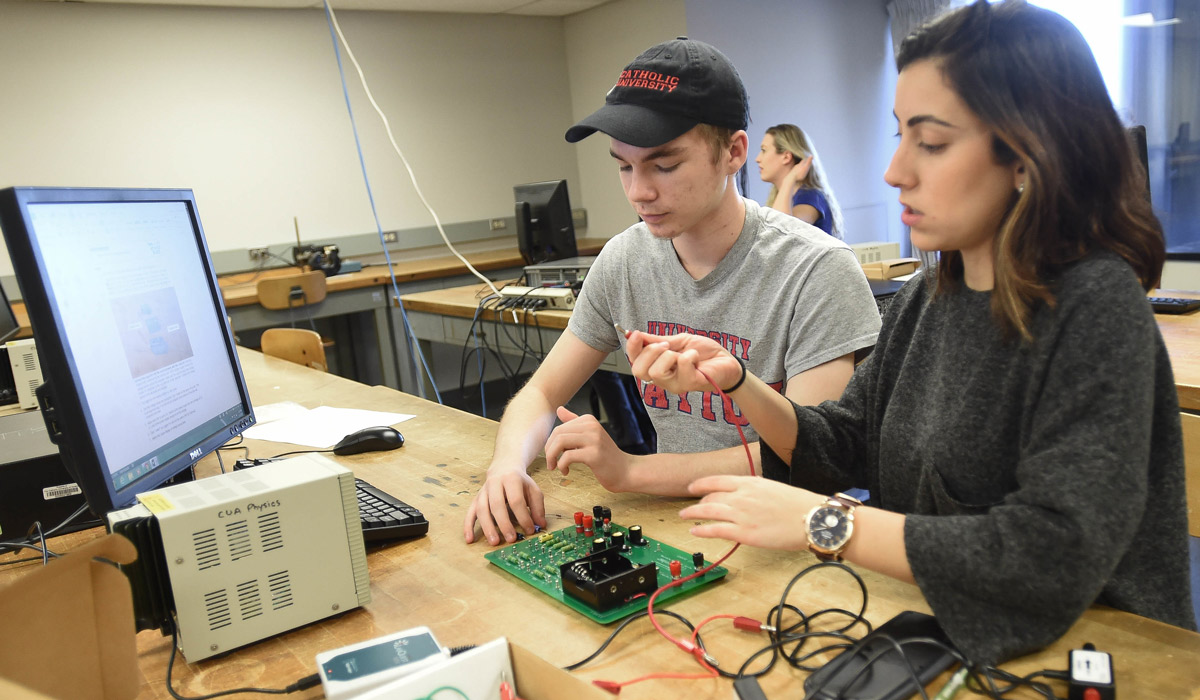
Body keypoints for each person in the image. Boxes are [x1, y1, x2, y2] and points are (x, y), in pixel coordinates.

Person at [623, 0, 1195, 666]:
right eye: (899, 136)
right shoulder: (931, 294)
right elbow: (844, 443)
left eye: (931, 141)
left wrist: (824, 523)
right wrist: (739, 382)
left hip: (1100, 655)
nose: (895, 170)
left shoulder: (1097, 307)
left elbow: (1050, 554)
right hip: (938, 630)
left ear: (1028, 155)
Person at [463, 37, 881, 546]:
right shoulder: (624, 260)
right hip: (675, 525)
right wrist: (506, 468)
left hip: (789, 536)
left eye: (664, 165)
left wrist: (633, 473)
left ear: (733, 152)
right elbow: (543, 392)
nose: (639, 191)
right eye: (623, 165)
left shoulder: (817, 270)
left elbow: (809, 456)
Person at [756, 124, 845, 238]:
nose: (757, 159)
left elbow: (780, 232)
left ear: (786, 157)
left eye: (764, 150)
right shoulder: (783, 198)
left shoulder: (811, 197)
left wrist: (790, 177)